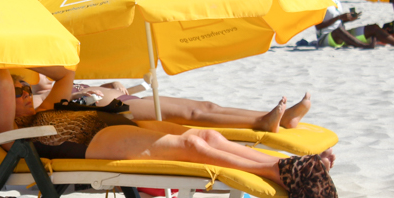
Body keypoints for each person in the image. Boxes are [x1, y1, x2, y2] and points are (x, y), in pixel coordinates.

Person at [0, 68, 338, 198]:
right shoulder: (12, 126)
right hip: (86, 142)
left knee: (205, 138)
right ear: (2, 100)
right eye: (18, 90)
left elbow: (65, 73)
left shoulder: (46, 104)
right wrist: (0, 61)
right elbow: (4, 83)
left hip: (105, 125)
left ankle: (287, 166)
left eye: (27, 87)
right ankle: (284, 171)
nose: (27, 92)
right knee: (189, 147)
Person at [22, 73, 312, 132]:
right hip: (121, 113)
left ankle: (277, 118)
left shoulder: (50, 84)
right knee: (194, 112)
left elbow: (84, 87)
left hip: (126, 99)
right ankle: (263, 121)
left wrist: (111, 85)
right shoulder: (35, 99)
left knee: (206, 106)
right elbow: (55, 108)